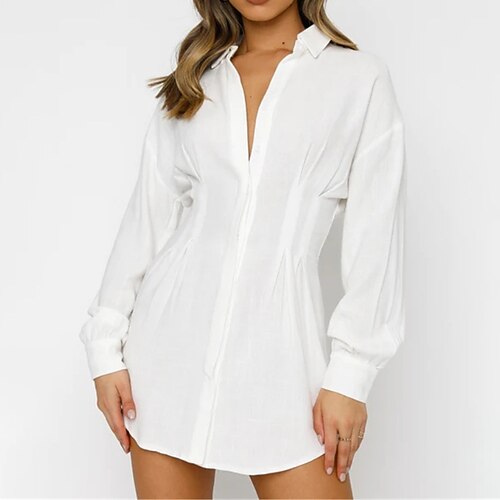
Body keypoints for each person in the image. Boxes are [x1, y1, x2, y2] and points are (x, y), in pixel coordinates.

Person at [79, 0, 407, 498]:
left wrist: (351, 376)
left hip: (282, 366)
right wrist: (105, 350)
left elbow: (376, 239)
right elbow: (146, 221)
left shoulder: (359, 80)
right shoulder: (197, 81)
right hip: (166, 363)